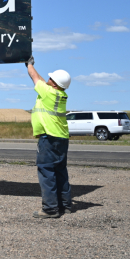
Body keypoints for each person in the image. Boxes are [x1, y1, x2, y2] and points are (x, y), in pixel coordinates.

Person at [26, 56, 73, 219]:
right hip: (62, 138)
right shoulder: (59, 94)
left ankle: (50, 209)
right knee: (60, 171)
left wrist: (29, 64)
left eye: (50, 78)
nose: (48, 79)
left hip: (49, 138)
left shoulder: (47, 93)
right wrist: (31, 67)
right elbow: (39, 79)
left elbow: (34, 77)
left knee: (46, 171)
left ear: (54, 82)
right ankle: (65, 205)